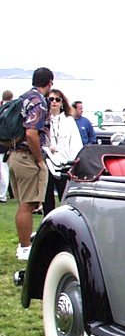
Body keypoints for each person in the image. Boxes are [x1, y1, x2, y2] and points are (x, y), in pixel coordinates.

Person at [7, 67, 53, 260]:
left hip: (14, 154)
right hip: (27, 157)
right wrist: (40, 160)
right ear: (49, 82)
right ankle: (25, 247)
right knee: (28, 204)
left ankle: (23, 243)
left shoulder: (23, 97)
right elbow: (31, 132)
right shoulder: (38, 102)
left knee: (24, 203)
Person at [42, 89, 82, 215]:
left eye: (57, 99)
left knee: (65, 201)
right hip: (47, 164)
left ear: (62, 103)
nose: (54, 102)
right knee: (47, 201)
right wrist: (47, 148)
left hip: (64, 166)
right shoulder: (42, 120)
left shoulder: (69, 121)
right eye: (51, 99)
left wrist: (73, 164)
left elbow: (76, 144)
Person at [1, 90, 12, 203]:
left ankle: (2, 194)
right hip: (5, 145)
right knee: (4, 172)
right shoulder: (11, 110)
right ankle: (2, 195)